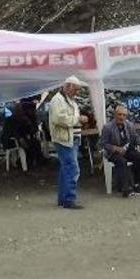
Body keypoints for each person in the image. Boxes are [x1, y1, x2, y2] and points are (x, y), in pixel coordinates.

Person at [47, 75, 89, 209]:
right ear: (68, 86)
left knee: (66, 169)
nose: (77, 92)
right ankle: (69, 199)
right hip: (64, 139)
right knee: (72, 168)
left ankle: (63, 199)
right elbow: (59, 119)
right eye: (76, 89)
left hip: (72, 138)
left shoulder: (70, 100)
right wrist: (78, 119)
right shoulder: (57, 100)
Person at [101, 105, 140, 197]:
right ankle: (125, 187)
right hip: (113, 152)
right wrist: (115, 148)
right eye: (119, 114)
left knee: (138, 157)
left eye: (124, 115)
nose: (122, 117)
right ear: (115, 115)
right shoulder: (107, 127)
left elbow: (136, 136)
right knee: (121, 161)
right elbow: (104, 144)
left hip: (126, 149)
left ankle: (138, 184)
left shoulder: (129, 124)